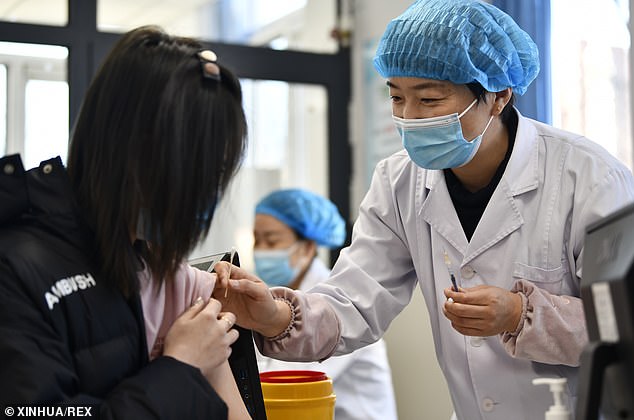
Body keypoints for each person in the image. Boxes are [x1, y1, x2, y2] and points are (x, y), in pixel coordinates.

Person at [212, 1, 634, 419]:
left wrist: (520, 314)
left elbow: (623, 325)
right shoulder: (398, 182)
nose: (409, 118)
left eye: (429, 100)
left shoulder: (589, 178)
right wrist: (276, 315)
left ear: (498, 96)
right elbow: (354, 302)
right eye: (397, 98)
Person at [0, 26, 251, 419]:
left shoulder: (166, 276)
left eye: (217, 172)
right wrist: (181, 368)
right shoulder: (17, 270)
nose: (205, 192)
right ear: (130, 147)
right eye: (195, 170)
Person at [253, 188, 398, 420]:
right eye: (256, 240)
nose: (260, 250)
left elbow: (286, 382)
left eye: (271, 241)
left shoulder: (338, 304)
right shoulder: (279, 294)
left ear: (308, 247)